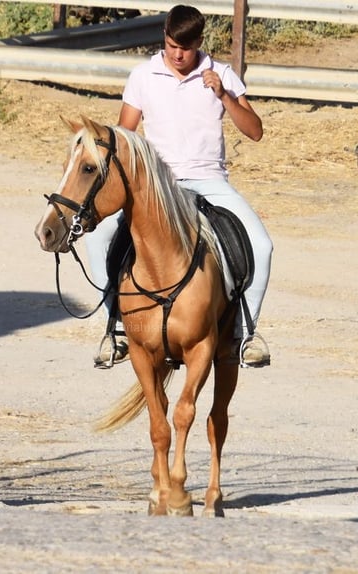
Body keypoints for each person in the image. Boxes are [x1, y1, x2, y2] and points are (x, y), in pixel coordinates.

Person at [85, 4, 273, 368]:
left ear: (200, 42)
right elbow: (125, 138)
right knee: (97, 237)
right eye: (172, 45)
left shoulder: (221, 73)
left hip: (209, 181)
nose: (178, 54)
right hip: (157, 187)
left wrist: (224, 96)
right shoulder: (142, 75)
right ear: (165, 38)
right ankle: (116, 328)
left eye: (185, 48)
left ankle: (245, 335)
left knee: (262, 247)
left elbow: (255, 131)